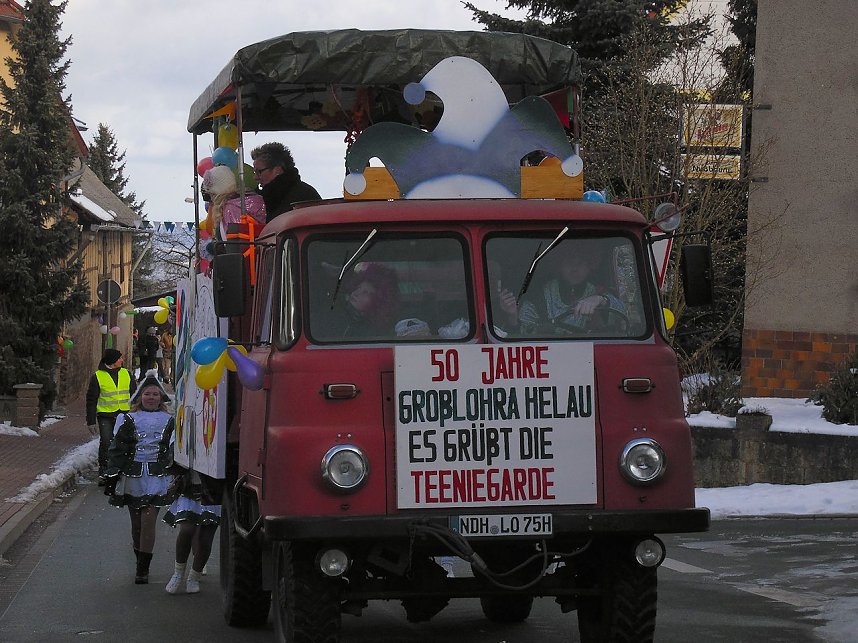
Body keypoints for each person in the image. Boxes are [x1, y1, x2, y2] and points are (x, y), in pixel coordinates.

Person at [102, 374, 174, 584]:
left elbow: (173, 448)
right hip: (133, 476)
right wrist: (112, 473)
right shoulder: (127, 419)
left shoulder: (169, 420)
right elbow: (118, 448)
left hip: (158, 476)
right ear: (140, 397)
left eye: (155, 394)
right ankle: (139, 560)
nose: (151, 397)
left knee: (149, 520)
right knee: (137, 525)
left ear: (161, 398)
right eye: (147, 394)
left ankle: (143, 569)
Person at [518, 248, 625, 335]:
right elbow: (523, 329)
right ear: (559, 266)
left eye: (580, 263)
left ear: (589, 266)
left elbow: (625, 316)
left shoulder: (597, 292)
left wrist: (601, 300)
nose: (575, 269)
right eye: (569, 262)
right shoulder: (540, 296)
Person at [162, 468, 224, 594]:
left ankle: (194, 576)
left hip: (214, 491)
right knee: (187, 529)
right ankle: (178, 573)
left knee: (205, 538)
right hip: (190, 488)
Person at [86, 348, 136, 483]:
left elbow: (135, 395)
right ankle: (105, 472)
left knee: (124, 442)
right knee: (107, 443)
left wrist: (137, 412)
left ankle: (121, 470)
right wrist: (90, 421)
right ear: (113, 361)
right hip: (106, 415)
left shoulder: (126, 374)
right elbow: (91, 399)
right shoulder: (98, 376)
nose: (122, 360)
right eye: (119, 358)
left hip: (124, 414)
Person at [250, 142, 321, 222]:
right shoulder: (303, 192)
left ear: (277, 170)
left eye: (259, 172)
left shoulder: (303, 198)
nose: (255, 177)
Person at [202, 164, 266, 239]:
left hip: (244, 250)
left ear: (217, 192)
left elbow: (235, 241)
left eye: (212, 194)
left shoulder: (230, 208)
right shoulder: (254, 200)